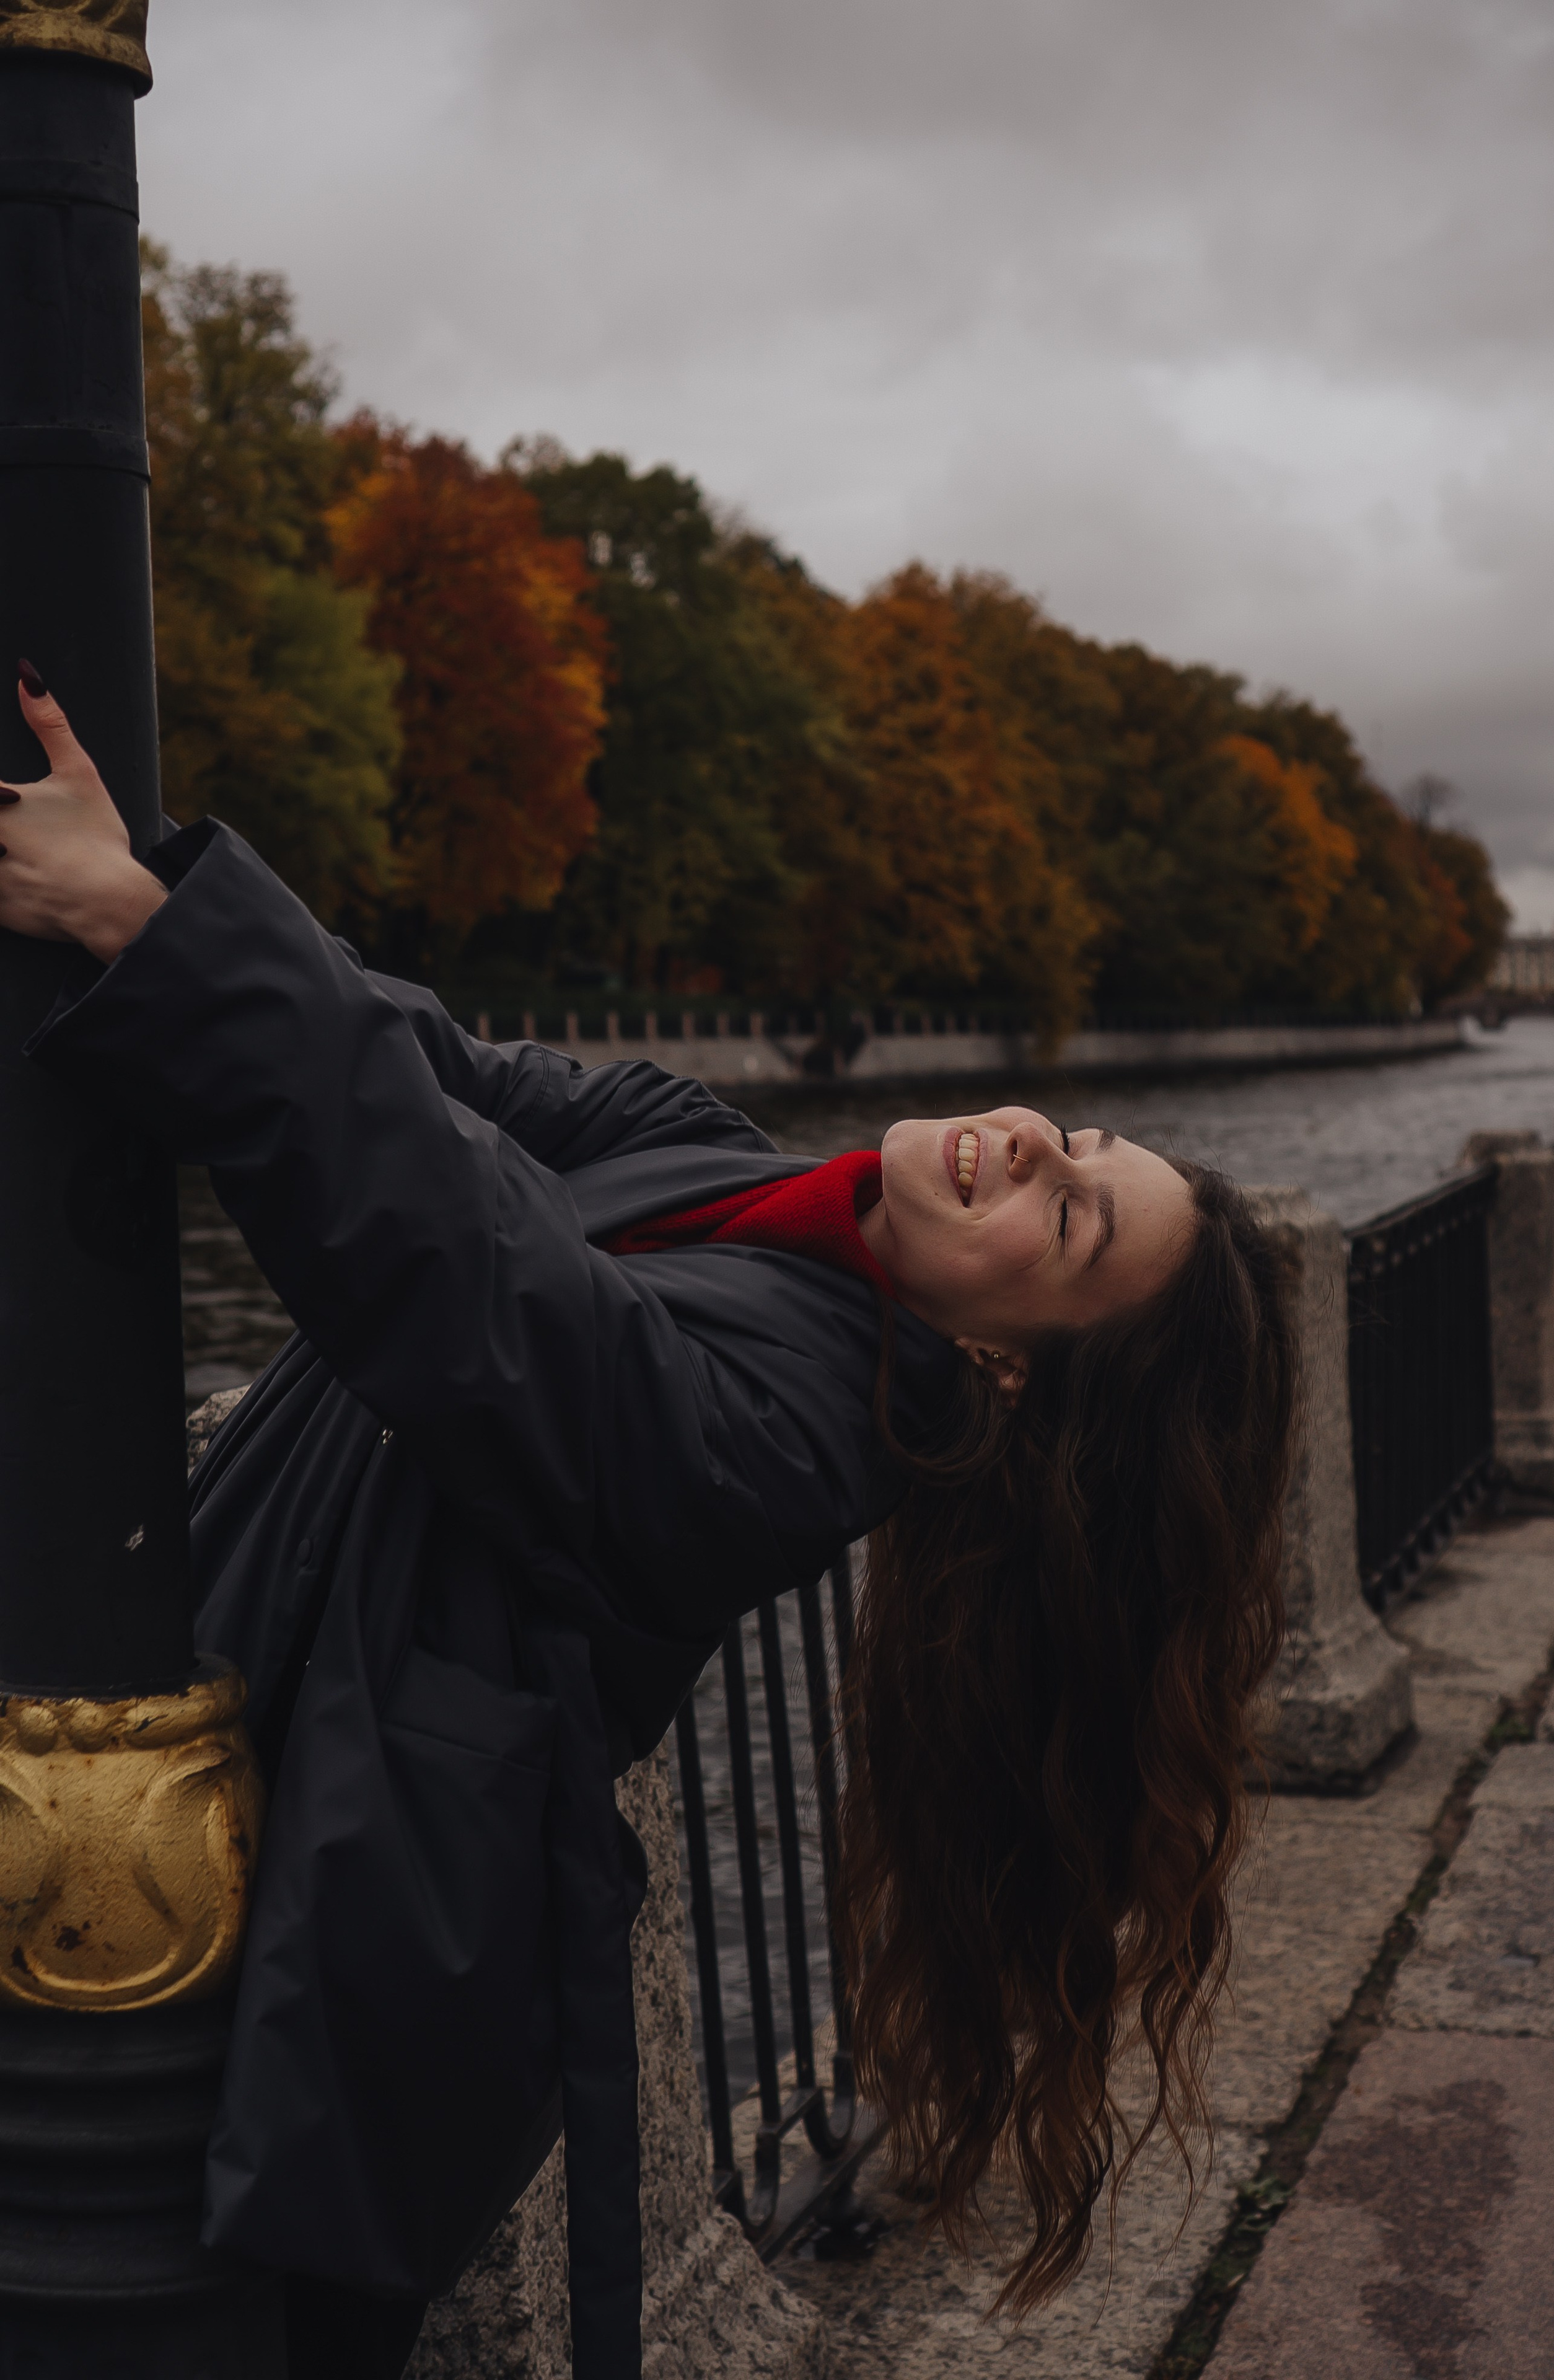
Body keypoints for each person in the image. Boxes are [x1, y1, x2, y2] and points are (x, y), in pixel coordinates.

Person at [0, 675, 1296, 2378]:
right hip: (222, 1801)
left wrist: (155, 935)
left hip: (317, 1968)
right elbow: (432, 1065)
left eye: (1068, 1223)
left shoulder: (793, 1444)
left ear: (1003, 1371)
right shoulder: (727, 1162)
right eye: (1087, 1144)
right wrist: (148, 880)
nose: (1032, 1147)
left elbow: (464, 1268)